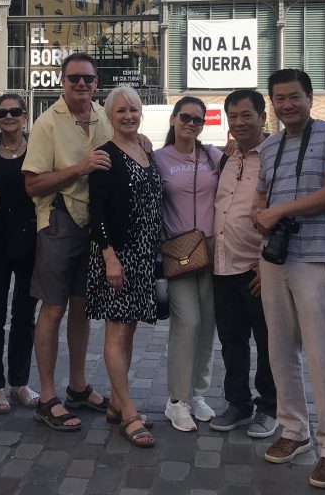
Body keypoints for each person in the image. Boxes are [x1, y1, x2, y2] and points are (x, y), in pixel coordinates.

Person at [251, 68, 325, 490]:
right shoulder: (270, 145)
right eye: (279, 98)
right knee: (279, 348)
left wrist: (279, 212)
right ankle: (293, 429)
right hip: (274, 258)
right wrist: (262, 212)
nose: (286, 104)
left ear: (310, 98)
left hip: (317, 256)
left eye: (294, 96)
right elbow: (262, 191)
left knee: (322, 353)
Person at [21, 52, 112, 431]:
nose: (81, 84)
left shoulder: (103, 116)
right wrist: (80, 168)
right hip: (59, 222)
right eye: (74, 78)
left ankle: (76, 385)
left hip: (93, 225)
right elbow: (31, 184)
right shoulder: (46, 123)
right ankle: (46, 395)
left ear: (95, 82)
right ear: (62, 81)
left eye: (88, 79)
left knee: (81, 308)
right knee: (54, 309)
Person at [87, 85, 162, 448]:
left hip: (144, 255)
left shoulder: (146, 150)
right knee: (116, 332)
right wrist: (109, 256)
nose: (128, 115)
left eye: (133, 109)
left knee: (129, 330)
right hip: (118, 255)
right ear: (109, 116)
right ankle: (129, 412)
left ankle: (117, 402)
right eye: (120, 111)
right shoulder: (105, 155)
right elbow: (96, 210)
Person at [209, 89, 278, 439]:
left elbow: (284, 213)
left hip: (257, 269)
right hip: (222, 266)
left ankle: (270, 407)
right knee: (232, 341)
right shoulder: (228, 156)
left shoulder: (275, 156)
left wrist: (269, 264)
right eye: (233, 116)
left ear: (262, 116)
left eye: (246, 115)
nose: (239, 122)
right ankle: (238, 403)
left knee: (268, 343)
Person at [153, 96, 221, 432]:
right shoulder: (158, 158)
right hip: (178, 248)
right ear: (173, 119)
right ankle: (176, 400)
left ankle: (197, 393)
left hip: (211, 248)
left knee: (208, 323)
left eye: (198, 119)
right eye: (185, 117)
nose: (191, 124)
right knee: (188, 322)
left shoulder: (212, 155)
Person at [0, 93, 40, 413]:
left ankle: (19, 381)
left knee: (24, 317)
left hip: (30, 242)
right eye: (2, 112)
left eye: (15, 111)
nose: (8, 117)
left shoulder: (38, 147)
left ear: (25, 115)